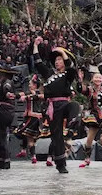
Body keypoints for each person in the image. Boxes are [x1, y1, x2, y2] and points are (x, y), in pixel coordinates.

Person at [32, 37, 80, 174]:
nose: (58, 62)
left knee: (74, 105)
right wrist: (35, 45)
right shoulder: (50, 75)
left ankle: (72, 124)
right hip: (52, 107)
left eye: (60, 60)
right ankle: (60, 164)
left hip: (64, 103)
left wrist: (62, 52)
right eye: (56, 60)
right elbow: (38, 62)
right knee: (56, 136)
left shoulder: (68, 75)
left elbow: (71, 67)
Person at [79, 70, 102, 168]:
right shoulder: (89, 90)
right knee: (90, 138)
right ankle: (87, 159)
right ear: (92, 79)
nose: (98, 79)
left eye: (100, 78)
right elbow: (80, 89)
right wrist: (80, 79)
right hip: (95, 116)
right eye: (96, 77)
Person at [13, 75, 47, 164]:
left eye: (30, 83)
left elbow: (40, 96)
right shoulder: (29, 92)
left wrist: (28, 97)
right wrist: (14, 95)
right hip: (29, 117)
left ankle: (32, 155)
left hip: (34, 117)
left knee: (28, 136)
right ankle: (26, 151)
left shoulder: (38, 93)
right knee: (25, 133)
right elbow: (22, 94)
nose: (29, 85)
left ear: (35, 85)